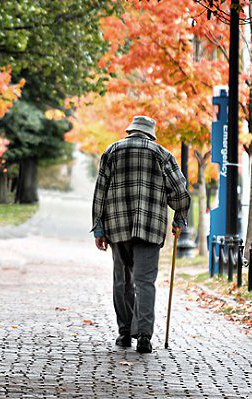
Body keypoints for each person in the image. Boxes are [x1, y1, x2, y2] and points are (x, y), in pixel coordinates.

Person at [91, 115, 190, 354]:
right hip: (151, 227)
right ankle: (144, 336)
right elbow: (180, 191)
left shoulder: (111, 151)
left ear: (130, 131)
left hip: (117, 226)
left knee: (122, 280)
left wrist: (99, 228)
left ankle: (125, 333)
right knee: (145, 282)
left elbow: (100, 192)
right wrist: (179, 218)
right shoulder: (162, 155)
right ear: (150, 133)